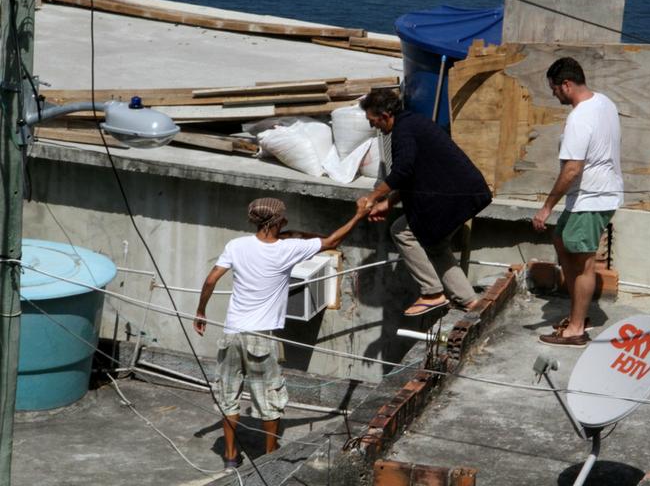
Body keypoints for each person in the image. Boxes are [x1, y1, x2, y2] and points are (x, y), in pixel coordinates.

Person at [193, 197, 368, 467]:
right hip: (261, 337)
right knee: (269, 399)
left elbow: (211, 279)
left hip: (231, 335)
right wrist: (358, 215)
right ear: (277, 221)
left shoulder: (236, 245)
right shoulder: (288, 249)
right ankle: (269, 456)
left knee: (229, 395)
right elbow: (332, 242)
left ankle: (230, 456)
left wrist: (201, 311)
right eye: (283, 218)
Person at [358, 89, 492, 316]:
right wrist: (388, 204)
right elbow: (411, 175)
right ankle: (470, 302)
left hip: (452, 195)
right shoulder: (412, 123)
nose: (373, 127)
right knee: (435, 244)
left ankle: (431, 293)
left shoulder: (403, 131)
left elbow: (402, 171)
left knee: (402, 231)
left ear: (384, 115)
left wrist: (372, 198)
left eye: (373, 121)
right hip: (462, 192)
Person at [533, 57, 623, 348]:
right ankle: (577, 314)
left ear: (567, 85)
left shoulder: (579, 117)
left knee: (583, 262)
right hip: (593, 196)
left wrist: (547, 206)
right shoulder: (605, 102)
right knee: (562, 241)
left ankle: (576, 330)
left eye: (554, 89)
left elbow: (572, 169)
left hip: (591, 199)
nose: (553, 94)